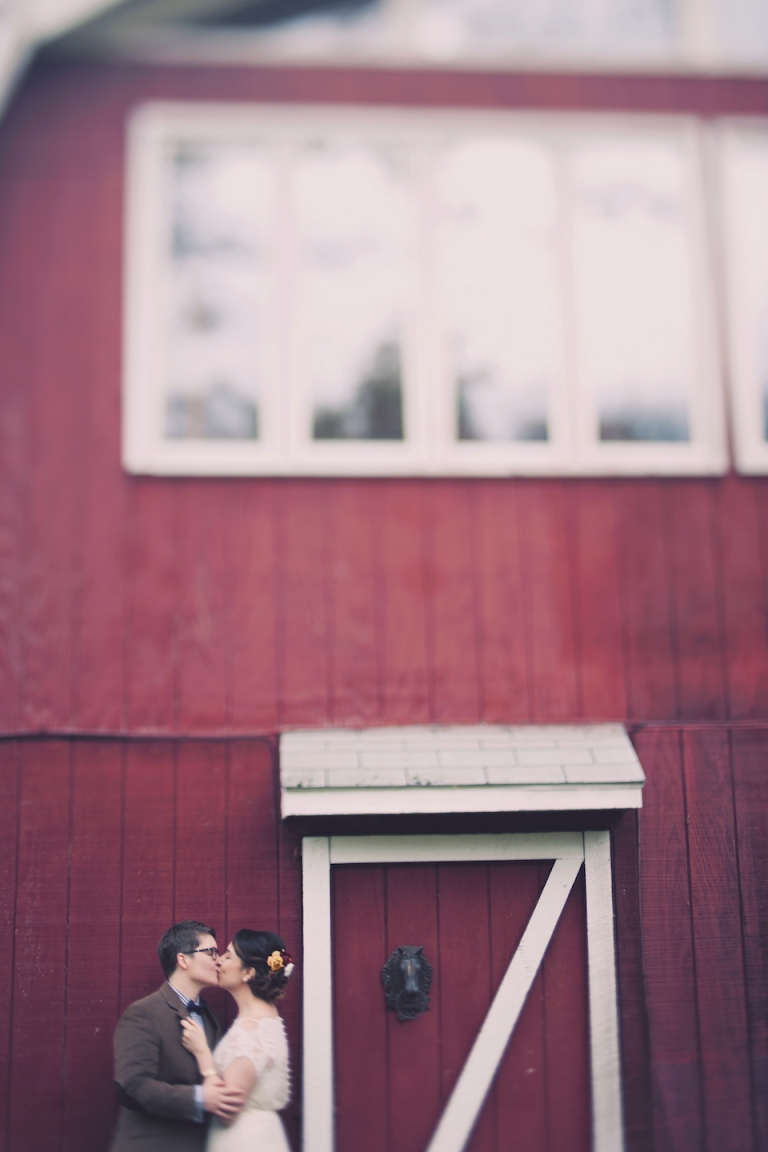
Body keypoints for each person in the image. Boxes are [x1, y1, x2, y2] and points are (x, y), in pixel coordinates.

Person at [111, 921, 245, 1152]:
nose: (218, 959)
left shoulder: (212, 1018)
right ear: (183, 960)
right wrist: (200, 1098)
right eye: (211, 952)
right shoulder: (144, 1013)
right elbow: (132, 1086)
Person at [180, 929, 293, 1152]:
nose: (219, 961)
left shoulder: (251, 1032)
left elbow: (226, 1111)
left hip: (243, 1141)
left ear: (248, 973)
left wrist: (202, 1053)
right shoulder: (265, 1019)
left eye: (228, 956)